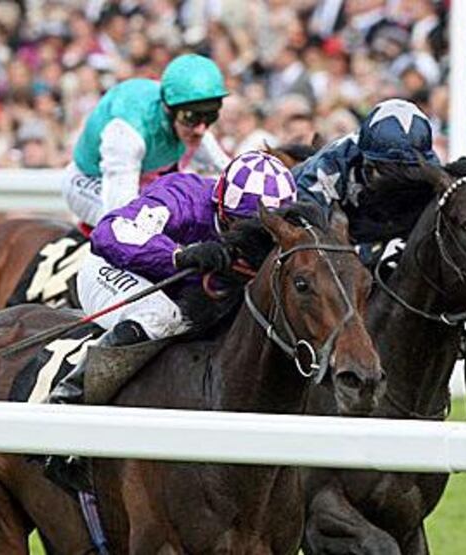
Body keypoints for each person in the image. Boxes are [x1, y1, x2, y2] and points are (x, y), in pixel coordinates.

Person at [43, 150, 297, 489]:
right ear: (220, 205)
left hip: (180, 294)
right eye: (243, 228)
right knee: (162, 315)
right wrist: (179, 255)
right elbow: (111, 232)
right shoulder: (181, 196)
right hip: (111, 270)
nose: (255, 243)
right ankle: (65, 407)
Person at [62, 53, 232, 229]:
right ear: (168, 109)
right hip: (90, 180)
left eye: (211, 115)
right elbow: (122, 215)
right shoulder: (128, 133)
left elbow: (230, 171)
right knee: (138, 230)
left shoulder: (189, 117)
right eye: (190, 117)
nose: (201, 129)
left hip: (143, 178)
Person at [291, 98, 440, 263]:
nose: (401, 182)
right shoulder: (329, 165)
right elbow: (310, 229)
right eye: (393, 170)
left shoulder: (428, 168)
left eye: (410, 170)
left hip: (378, 225)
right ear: (368, 163)